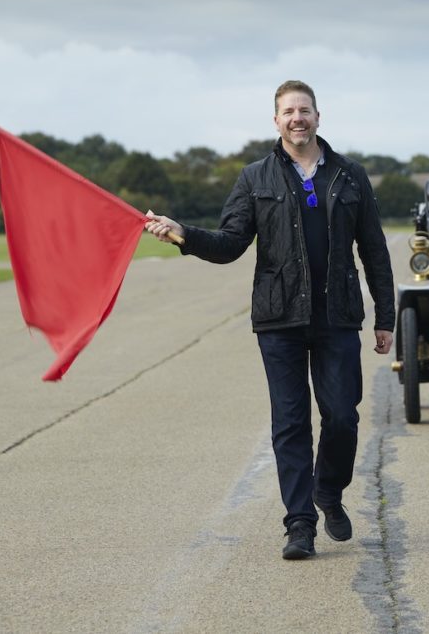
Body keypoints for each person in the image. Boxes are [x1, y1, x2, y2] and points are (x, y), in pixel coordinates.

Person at [145, 80, 395, 561]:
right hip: (279, 316)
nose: (297, 118)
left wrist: (385, 315)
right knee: (290, 421)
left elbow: (376, 251)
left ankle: (328, 491)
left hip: (338, 315)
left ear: (319, 117)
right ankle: (299, 524)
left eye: (304, 110)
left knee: (342, 416)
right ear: (276, 120)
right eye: (288, 111)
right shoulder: (255, 178)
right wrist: (184, 235)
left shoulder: (350, 175)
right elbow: (230, 244)